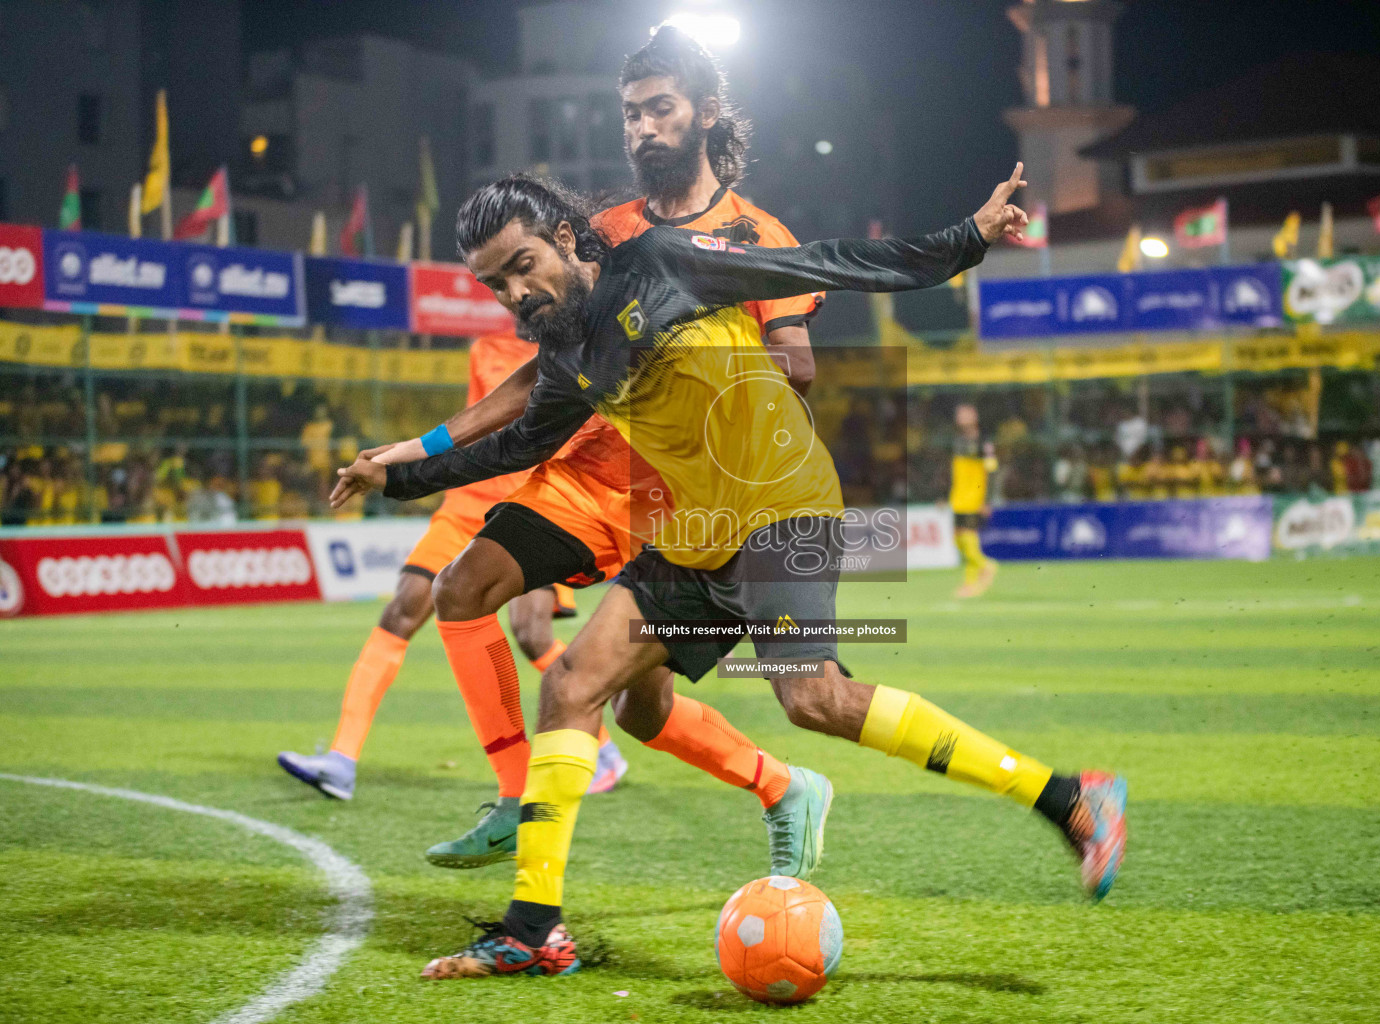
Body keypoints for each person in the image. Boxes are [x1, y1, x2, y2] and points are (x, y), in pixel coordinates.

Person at [333, 164, 1126, 979]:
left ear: (565, 238)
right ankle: (534, 931)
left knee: (815, 699)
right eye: (496, 282)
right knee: (573, 686)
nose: (514, 292)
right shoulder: (569, 350)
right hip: (697, 529)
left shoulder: (666, 261)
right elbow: (522, 443)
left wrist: (967, 238)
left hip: (785, 505)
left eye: (523, 264)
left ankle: (1070, 798)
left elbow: (822, 262)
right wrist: (396, 476)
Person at [302, 28, 835, 878]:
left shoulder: (751, 236)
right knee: (463, 589)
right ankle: (520, 802)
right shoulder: (605, 235)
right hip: (576, 481)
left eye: (660, 110)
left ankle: (781, 788)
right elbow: (528, 386)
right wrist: (408, 451)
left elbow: (791, 368)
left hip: (674, 500)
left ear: (702, 116)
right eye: (632, 114)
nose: (644, 129)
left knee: (644, 709)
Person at [277, 329, 621, 811]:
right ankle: (341, 759)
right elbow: (477, 421)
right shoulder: (487, 348)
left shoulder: (585, 344)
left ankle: (603, 750)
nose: (514, 297)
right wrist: (408, 459)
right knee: (401, 611)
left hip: (536, 505)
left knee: (532, 633)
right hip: (464, 504)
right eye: (500, 286)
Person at [950, 403, 999, 597]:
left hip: (974, 497)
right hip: (958, 497)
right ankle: (977, 573)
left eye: (965, 413)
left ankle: (982, 570)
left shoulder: (983, 441)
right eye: (959, 414)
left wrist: (987, 499)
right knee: (959, 540)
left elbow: (992, 471)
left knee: (968, 536)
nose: (961, 417)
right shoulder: (958, 440)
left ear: (975, 416)